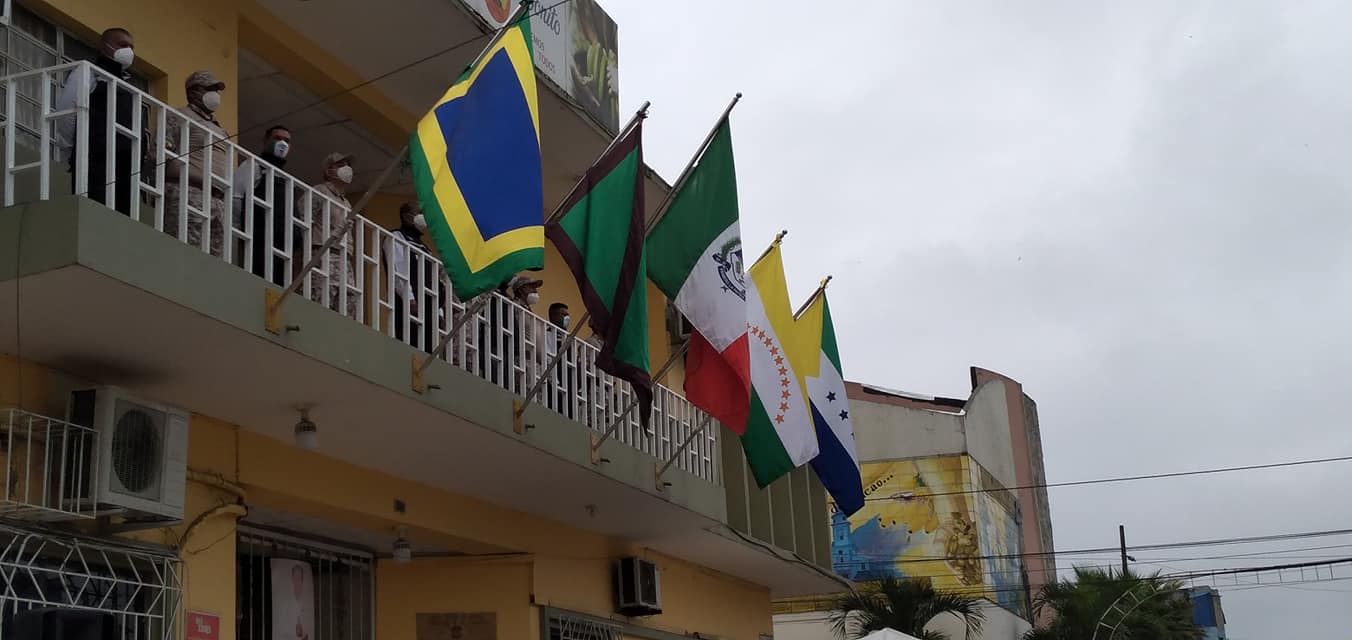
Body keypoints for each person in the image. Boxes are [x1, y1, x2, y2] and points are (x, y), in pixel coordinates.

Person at [55, 28, 144, 216]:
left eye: (131, 47)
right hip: (95, 158)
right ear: (104, 46)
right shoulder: (88, 72)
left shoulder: (128, 86)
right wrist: (74, 148)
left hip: (125, 165)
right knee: (94, 211)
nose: (128, 51)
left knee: (122, 218)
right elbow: (68, 111)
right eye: (122, 45)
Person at [164, 71, 230, 256]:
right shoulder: (180, 116)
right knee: (186, 253)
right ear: (193, 91)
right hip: (190, 191)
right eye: (210, 89)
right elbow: (161, 156)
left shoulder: (221, 130)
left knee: (214, 261)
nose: (215, 94)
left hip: (217, 200)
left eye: (216, 90)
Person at [300, 152, 361, 318]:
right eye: (340, 165)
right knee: (322, 300)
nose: (346, 169)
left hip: (344, 258)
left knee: (348, 303)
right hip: (323, 253)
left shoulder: (346, 202)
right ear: (328, 171)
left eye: (347, 165)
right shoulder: (320, 191)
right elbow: (303, 219)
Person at [233, 125, 293, 285]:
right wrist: (240, 234)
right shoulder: (253, 165)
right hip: (256, 240)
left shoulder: (286, 179)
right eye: (277, 138)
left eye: (286, 141)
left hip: (280, 247)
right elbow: (236, 199)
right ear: (265, 141)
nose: (282, 143)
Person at [384, 202, 433, 346]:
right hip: (407, 303)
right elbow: (398, 269)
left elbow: (433, 279)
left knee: (427, 348)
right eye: (420, 213)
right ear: (407, 217)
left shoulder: (425, 248)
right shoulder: (396, 236)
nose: (424, 217)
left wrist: (439, 312)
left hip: (427, 305)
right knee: (409, 343)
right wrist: (409, 298)